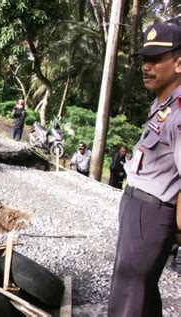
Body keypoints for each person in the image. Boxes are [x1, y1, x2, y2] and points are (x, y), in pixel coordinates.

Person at [108, 23, 181, 316]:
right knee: (141, 296)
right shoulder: (162, 103)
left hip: (151, 214)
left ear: (179, 63)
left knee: (128, 299)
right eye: (143, 60)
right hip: (138, 209)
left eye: (155, 60)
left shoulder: (178, 112)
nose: (145, 67)